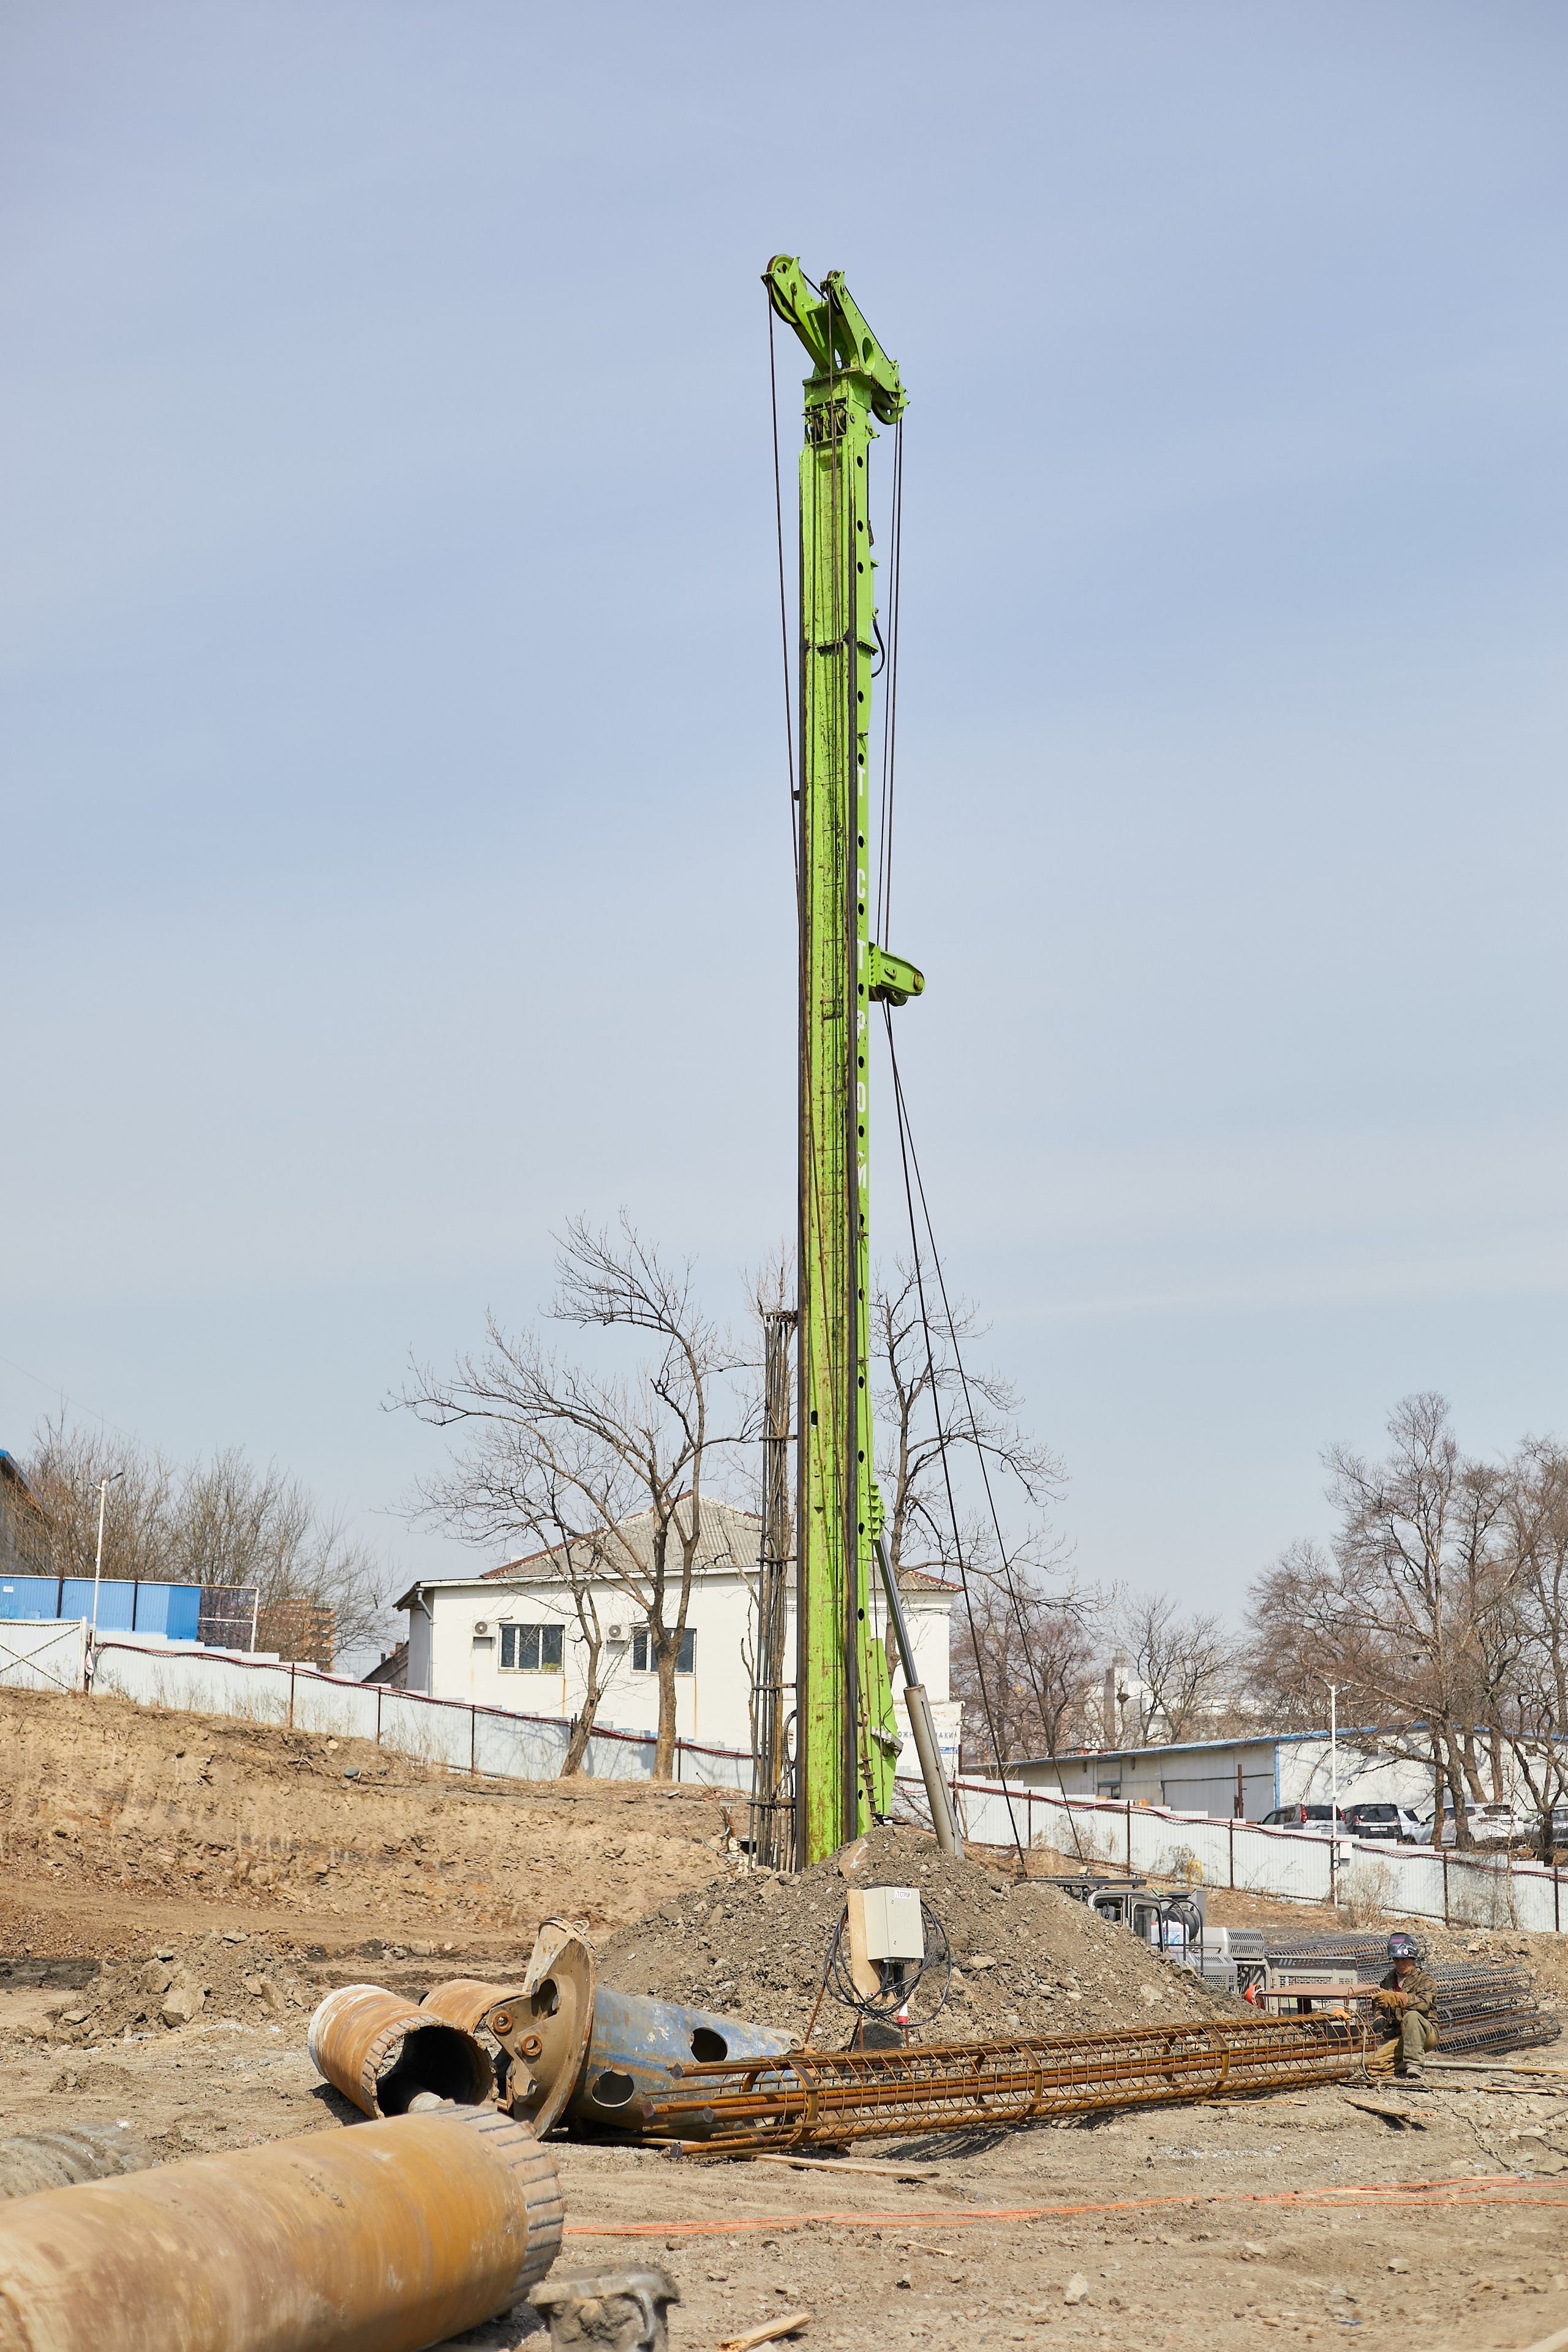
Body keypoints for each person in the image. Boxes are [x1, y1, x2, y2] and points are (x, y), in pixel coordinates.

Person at [1370, 1931, 1439, 2079]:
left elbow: (1424, 2004)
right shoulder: (1389, 1980)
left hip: (1425, 2034)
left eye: (1404, 1959)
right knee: (1373, 2063)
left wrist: (1397, 1998)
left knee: (1412, 2016)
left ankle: (1415, 2065)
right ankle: (1399, 2064)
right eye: (1396, 1960)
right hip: (1398, 2035)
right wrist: (1379, 2017)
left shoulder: (1425, 1980)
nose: (1400, 1964)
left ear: (1412, 1958)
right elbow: (1379, 2006)